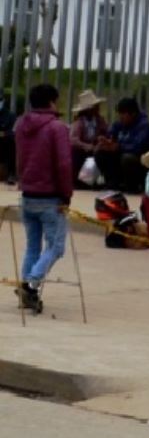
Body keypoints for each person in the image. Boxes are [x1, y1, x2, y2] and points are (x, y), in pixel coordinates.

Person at [14, 83, 73, 314]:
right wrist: (66, 194)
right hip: (50, 196)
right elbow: (64, 164)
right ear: (51, 101)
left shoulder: (20, 125)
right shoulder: (57, 128)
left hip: (28, 194)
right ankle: (31, 284)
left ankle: (27, 288)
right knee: (56, 247)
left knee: (32, 247)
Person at [95, 96, 149, 194]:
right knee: (100, 152)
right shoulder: (120, 124)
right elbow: (111, 134)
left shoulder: (144, 126)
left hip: (140, 162)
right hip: (120, 157)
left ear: (133, 114)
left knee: (127, 158)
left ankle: (132, 186)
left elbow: (137, 147)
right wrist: (106, 141)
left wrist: (118, 147)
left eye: (123, 115)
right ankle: (112, 184)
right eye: (119, 114)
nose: (120, 117)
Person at [68, 90, 105, 184]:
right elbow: (73, 140)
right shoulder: (79, 122)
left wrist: (101, 142)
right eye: (95, 106)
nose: (98, 108)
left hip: (96, 150)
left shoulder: (99, 121)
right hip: (82, 151)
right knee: (75, 152)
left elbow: (105, 133)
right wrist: (87, 146)